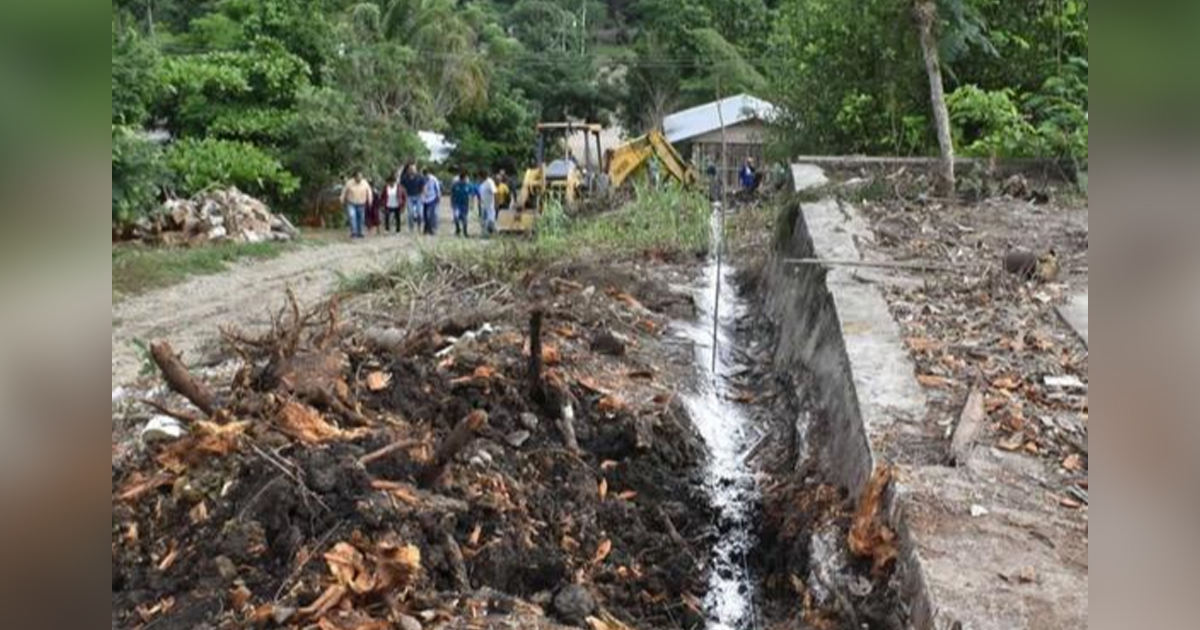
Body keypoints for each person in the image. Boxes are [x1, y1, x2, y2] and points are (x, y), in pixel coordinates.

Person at [340, 171, 373, 239]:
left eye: (361, 176)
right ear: (354, 177)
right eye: (358, 176)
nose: (360, 178)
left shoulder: (365, 183)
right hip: (351, 203)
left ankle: (360, 232)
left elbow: (369, 191)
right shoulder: (349, 183)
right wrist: (342, 199)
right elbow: (344, 191)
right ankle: (354, 232)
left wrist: (370, 200)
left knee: (361, 218)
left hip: (361, 203)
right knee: (352, 217)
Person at [401, 163, 426, 232]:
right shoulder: (405, 178)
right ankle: (411, 228)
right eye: (410, 169)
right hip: (409, 197)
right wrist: (404, 195)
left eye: (413, 169)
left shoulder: (420, 177)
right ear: (408, 170)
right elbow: (402, 187)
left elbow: (424, 187)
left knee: (419, 213)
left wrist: (423, 196)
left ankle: (419, 227)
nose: (412, 170)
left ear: (416, 169)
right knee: (410, 214)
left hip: (418, 196)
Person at [450, 169, 474, 237]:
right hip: (456, 204)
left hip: (465, 205)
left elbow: (472, 195)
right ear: (461, 179)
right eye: (464, 179)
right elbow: (452, 193)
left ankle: (465, 232)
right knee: (456, 217)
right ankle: (457, 229)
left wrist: (472, 204)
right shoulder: (455, 185)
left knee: (464, 219)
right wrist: (451, 202)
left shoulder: (468, 185)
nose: (465, 180)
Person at [421, 168, 442, 236]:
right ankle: (426, 228)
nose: (426, 176)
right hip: (424, 199)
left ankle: (431, 229)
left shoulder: (433, 179)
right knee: (425, 216)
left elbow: (437, 188)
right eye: (424, 175)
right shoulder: (422, 179)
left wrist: (438, 196)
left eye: (426, 174)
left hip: (432, 198)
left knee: (429, 215)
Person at [477, 170, 498, 238]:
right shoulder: (481, 184)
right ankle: (485, 235)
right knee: (483, 222)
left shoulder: (489, 182)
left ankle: (494, 233)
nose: (478, 178)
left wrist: (496, 204)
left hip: (490, 206)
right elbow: (480, 196)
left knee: (490, 222)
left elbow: (494, 193)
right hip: (483, 206)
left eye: (479, 177)